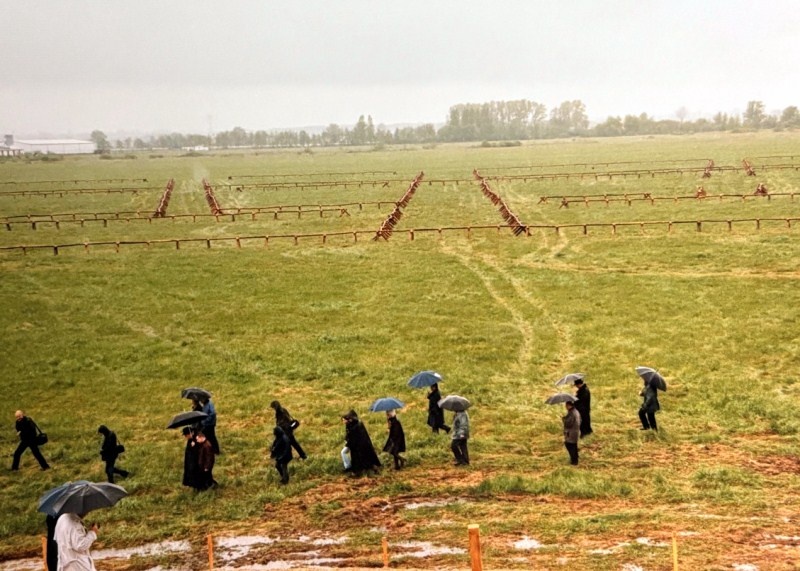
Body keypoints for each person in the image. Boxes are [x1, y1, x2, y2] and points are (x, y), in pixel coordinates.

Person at [341, 410, 381, 474]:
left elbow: (357, 437)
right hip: (356, 446)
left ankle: (372, 469)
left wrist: (348, 444)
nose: (343, 421)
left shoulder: (357, 425)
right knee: (361, 459)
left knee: (366, 458)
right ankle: (353, 469)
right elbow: (349, 435)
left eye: (344, 420)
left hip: (362, 445)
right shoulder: (350, 425)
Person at [563, 401, 581, 465]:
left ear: (568, 405)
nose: (565, 407)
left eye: (566, 405)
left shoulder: (572, 413)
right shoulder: (576, 411)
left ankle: (574, 461)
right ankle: (575, 458)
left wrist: (564, 419)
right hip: (575, 432)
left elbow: (568, 424)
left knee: (569, 445)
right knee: (574, 445)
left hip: (571, 432)